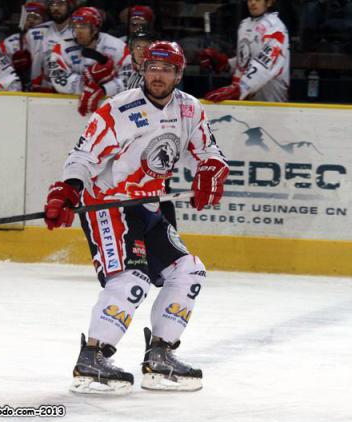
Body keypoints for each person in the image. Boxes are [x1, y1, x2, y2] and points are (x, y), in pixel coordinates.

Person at [43, 41, 229, 394]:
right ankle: (92, 359)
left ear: (178, 74)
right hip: (109, 206)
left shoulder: (190, 110)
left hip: (149, 206)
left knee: (189, 270)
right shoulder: (120, 109)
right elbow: (83, 157)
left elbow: (209, 153)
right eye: (152, 68)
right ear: (143, 71)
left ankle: (161, 355)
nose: (158, 75)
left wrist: (212, 171)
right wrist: (66, 191)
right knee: (133, 280)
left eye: (166, 69)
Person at [199, 0, 290, 102]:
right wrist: (227, 64)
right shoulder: (244, 25)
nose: (253, 2)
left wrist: (241, 88)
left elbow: (265, 64)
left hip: (272, 103)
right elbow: (246, 61)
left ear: (269, 2)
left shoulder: (276, 28)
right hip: (245, 102)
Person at [48, 6, 131, 116]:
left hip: (111, 107)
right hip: (69, 108)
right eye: (75, 26)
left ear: (95, 29)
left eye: (83, 26)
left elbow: (129, 78)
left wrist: (104, 89)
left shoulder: (117, 46)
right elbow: (58, 79)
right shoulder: (61, 47)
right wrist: (87, 85)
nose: (78, 31)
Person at [25, 0, 77, 91]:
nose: (56, 8)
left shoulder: (79, 33)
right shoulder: (34, 33)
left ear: (70, 6)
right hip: (41, 88)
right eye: (52, 4)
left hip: (72, 89)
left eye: (61, 4)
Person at [0, 2, 47, 91]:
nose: (31, 21)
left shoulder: (49, 41)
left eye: (36, 18)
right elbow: (2, 71)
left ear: (43, 21)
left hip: (44, 90)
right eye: (27, 18)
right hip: (17, 90)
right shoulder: (9, 42)